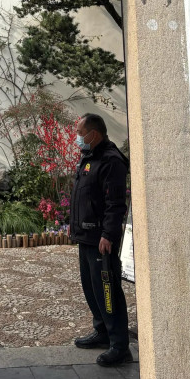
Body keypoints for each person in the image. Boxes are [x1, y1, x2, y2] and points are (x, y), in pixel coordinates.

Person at [69, 112, 131, 366]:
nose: (77, 138)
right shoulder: (89, 157)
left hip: (100, 240)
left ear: (94, 134)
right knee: (91, 288)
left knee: (108, 291)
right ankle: (102, 331)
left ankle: (120, 346)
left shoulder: (110, 161)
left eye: (80, 133)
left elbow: (115, 204)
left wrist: (108, 234)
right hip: (86, 237)